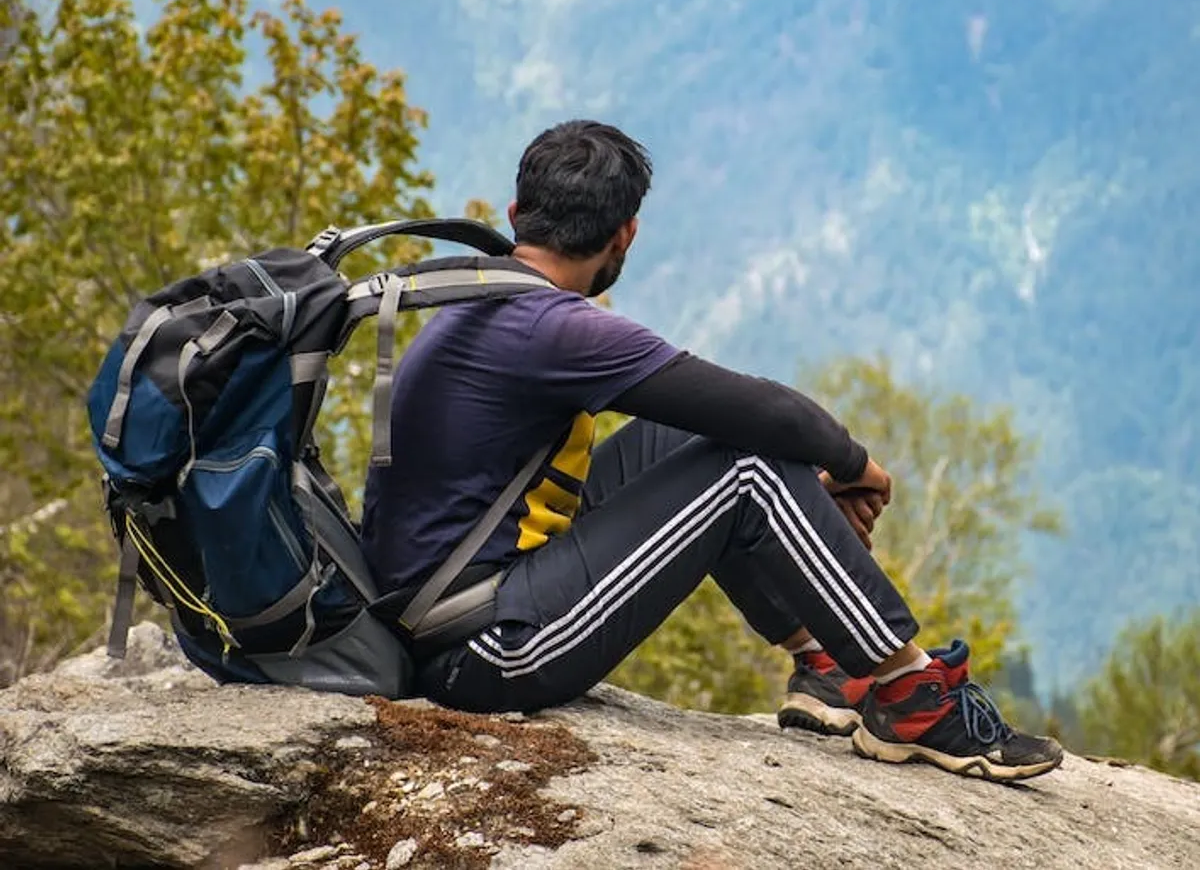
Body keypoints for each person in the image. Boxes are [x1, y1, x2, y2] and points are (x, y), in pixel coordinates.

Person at [361, 120, 1064, 783]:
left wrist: (814, 493)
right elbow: (769, 412)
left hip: (452, 610)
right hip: (481, 651)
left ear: (517, 214)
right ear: (626, 233)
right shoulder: (552, 327)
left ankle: (825, 664)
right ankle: (911, 694)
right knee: (748, 465)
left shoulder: (479, 301)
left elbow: (732, 416)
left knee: (696, 437)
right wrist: (857, 467)